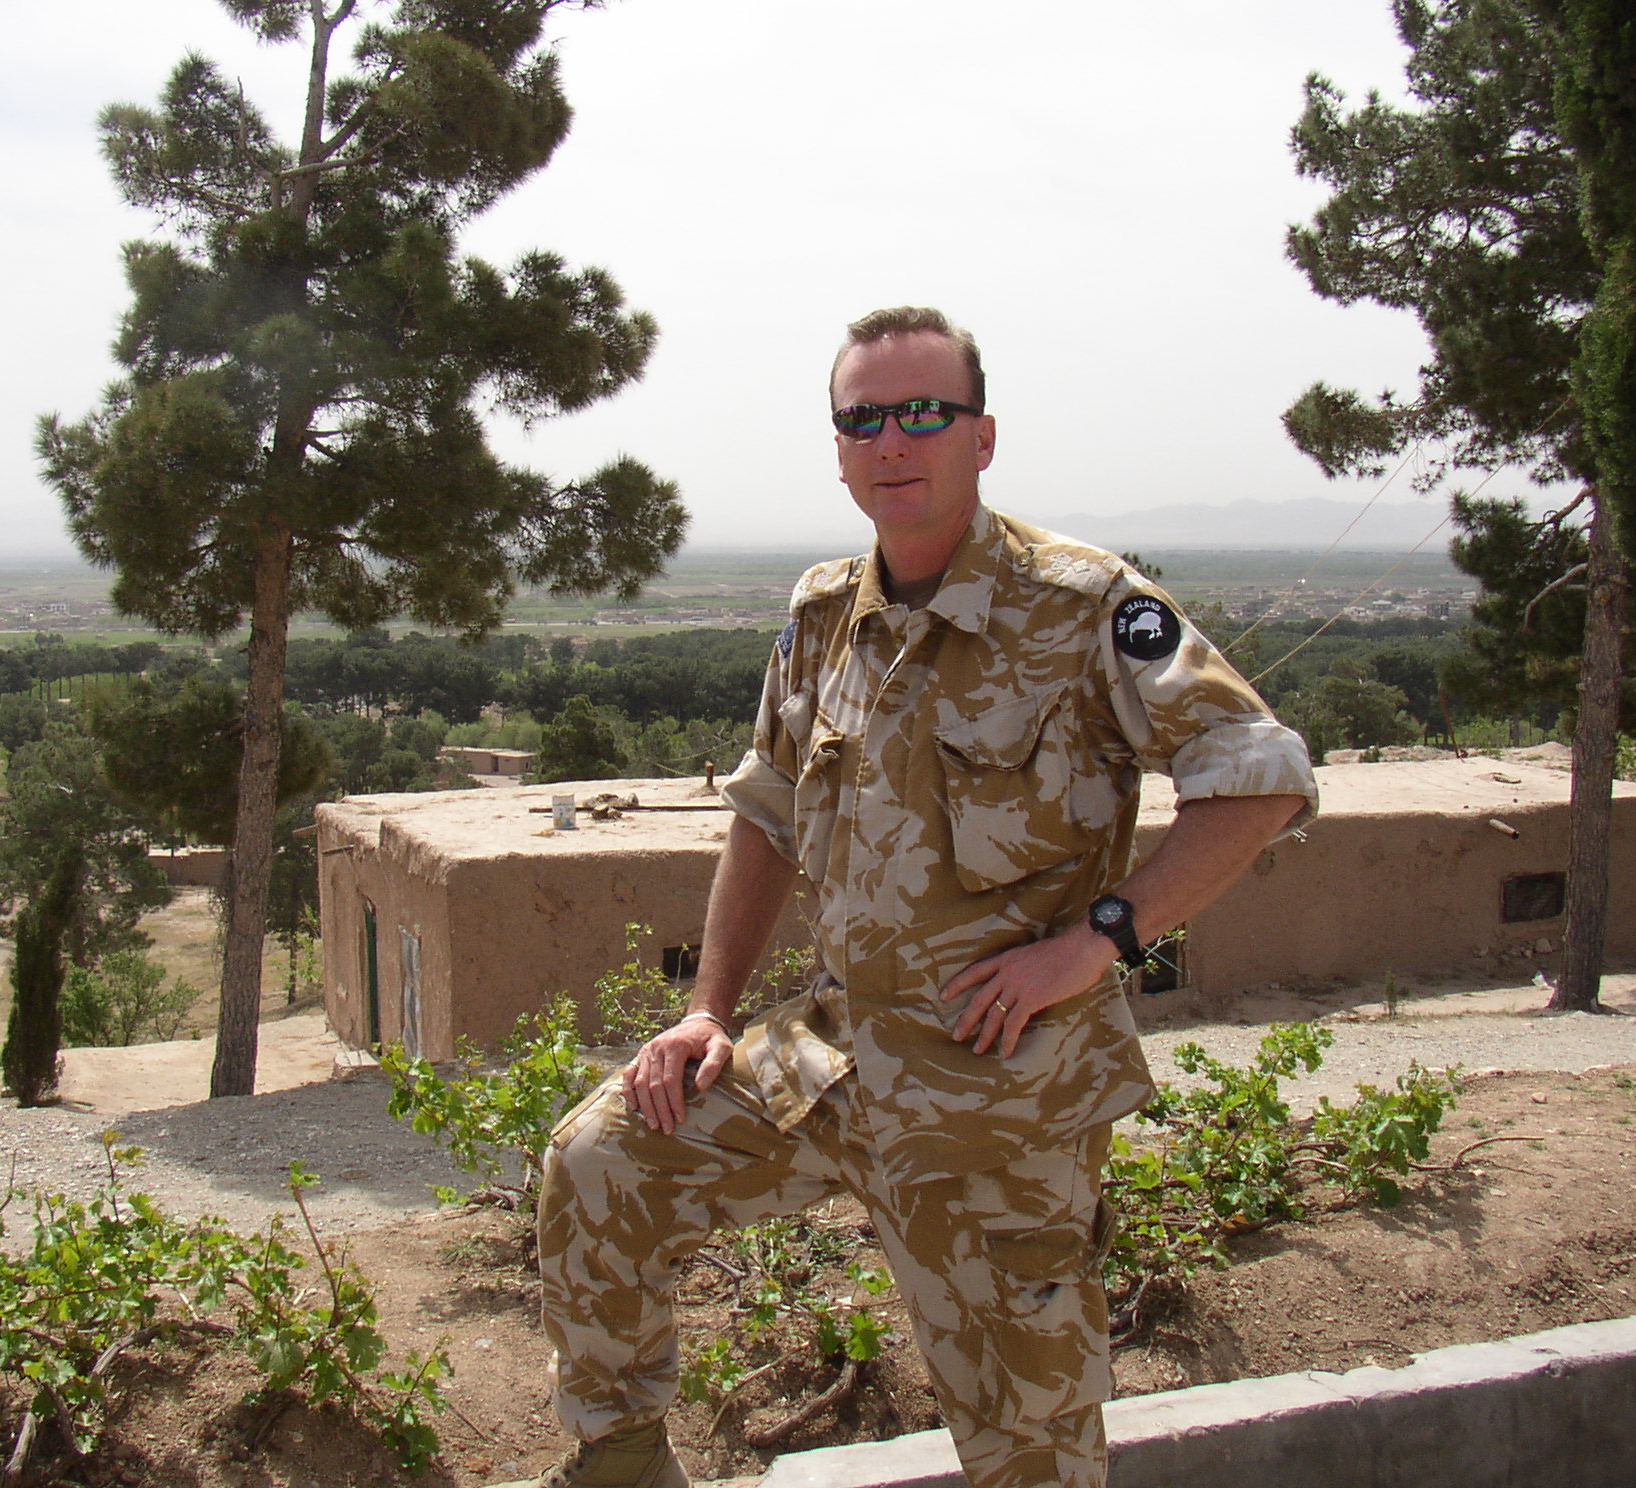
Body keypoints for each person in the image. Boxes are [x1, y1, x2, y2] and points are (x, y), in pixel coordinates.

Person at [526, 306, 1318, 1488]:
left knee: (1029, 1450)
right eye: (863, 419)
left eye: (921, 414)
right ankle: (621, 1464)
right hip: (836, 1059)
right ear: (839, 449)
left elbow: (1259, 778)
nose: (892, 441)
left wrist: (1099, 942)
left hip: (1000, 1095)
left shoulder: (1080, 607)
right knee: (602, 1163)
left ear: (980, 437)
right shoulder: (821, 615)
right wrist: (707, 1009)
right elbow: (768, 814)